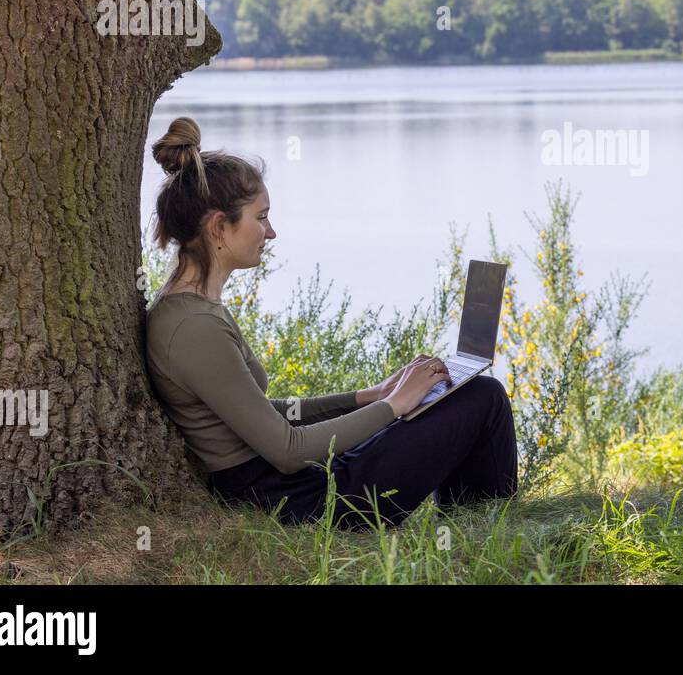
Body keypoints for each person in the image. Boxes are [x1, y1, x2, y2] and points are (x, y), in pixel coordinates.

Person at [143, 115, 518, 531]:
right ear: (219, 226)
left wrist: (367, 396)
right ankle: (484, 532)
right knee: (483, 398)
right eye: (261, 217)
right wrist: (393, 405)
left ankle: (473, 527)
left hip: (296, 483)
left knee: (459, 396)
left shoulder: (193, 309)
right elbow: (286, 449)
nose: (271, 233)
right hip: (303, 502)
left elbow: (264, 415)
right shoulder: (194, 327)